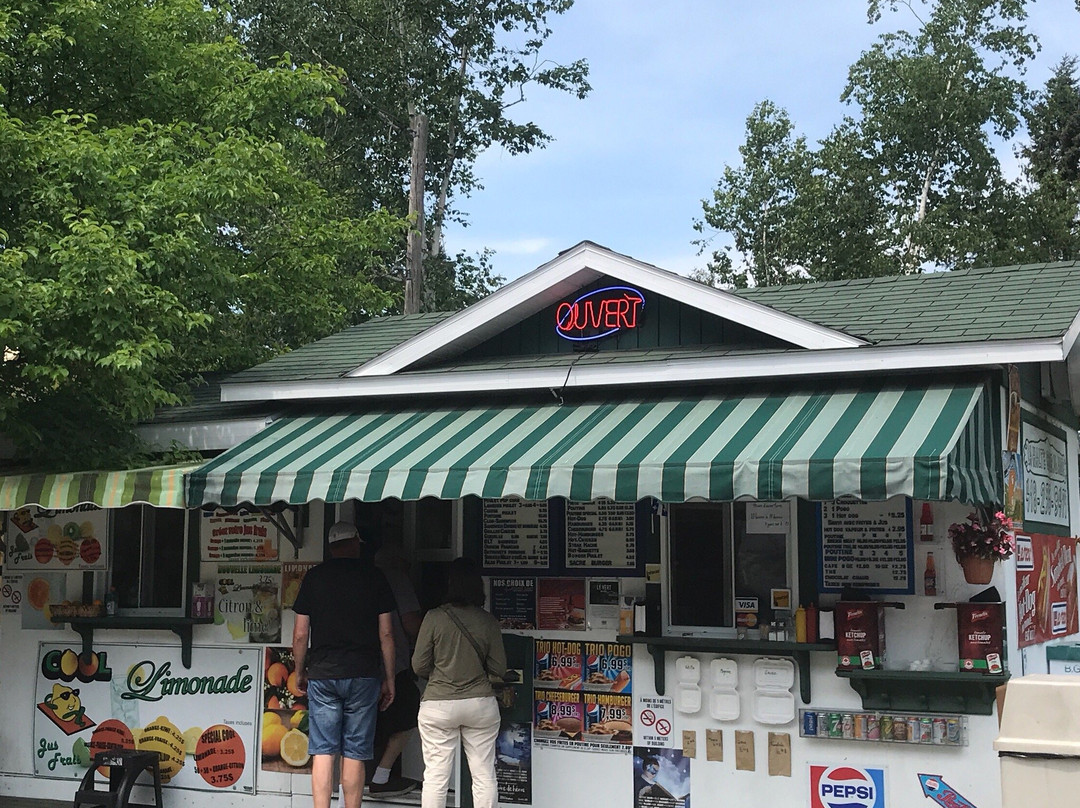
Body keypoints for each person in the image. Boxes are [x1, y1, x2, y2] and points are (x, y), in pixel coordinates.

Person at [292, 522, 397, 808]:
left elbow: (301, 634)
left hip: (323, 674)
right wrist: (389, 677)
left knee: (323, 752)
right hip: (364, 675)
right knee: (355, 752)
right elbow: (386, 633)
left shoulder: (314, 578)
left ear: (330, 547)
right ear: (355, 543)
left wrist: (300, 672)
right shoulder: (375, 577)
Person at [412, 557, 507, 808]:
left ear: (450, 584)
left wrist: (440, 674)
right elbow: (499, 668)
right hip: (480, 705)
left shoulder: (433, 617)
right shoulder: (487, 621)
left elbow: (418, 665)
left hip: (438, 705)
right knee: (484, 775)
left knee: (435, 778)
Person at [367, 541, 423, 797]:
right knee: (409, 711)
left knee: (367, 722)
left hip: (361, 665)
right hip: (394, 664)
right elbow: (411, 624)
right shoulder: (397, 579)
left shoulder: (363, 578)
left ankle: (358, 782)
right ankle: (380, 777)